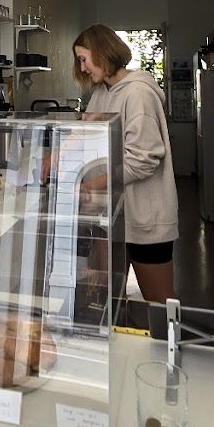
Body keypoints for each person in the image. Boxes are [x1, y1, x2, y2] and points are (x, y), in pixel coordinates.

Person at [72, 24, 179, 308]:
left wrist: (90, 185)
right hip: (112, 216)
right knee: (108, 299)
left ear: (102, 53)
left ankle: (168, 339)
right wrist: (55, 156)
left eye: (84, 59)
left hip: (145, 220)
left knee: (159, 302)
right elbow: (85, 134)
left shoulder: (138, 94)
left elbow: (143, 161)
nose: (82, 68)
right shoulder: (102, 93)